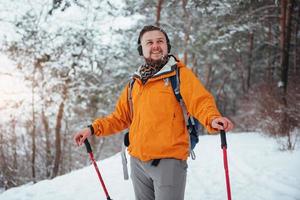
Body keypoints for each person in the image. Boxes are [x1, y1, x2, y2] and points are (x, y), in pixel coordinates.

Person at [74, 25, 234, 200]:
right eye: (149, 42)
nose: (155, 46)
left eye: (160, 41)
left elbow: (200, 101)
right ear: (141, 49)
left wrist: (213, 118)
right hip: (137, 162)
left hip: (169, 162)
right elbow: (120, 117)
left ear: (167, 46)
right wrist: (92, 129)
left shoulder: (179, 75)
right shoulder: (134, 83)